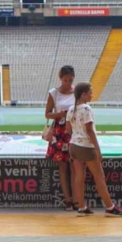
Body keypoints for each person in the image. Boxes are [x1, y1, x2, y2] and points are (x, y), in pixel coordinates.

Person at [68, 82, 122, 216]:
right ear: (84, 94)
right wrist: (97, 149)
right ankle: (110, 207)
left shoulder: (71, 109)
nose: (92, 95)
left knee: (79, 176)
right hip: (86, 147)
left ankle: (82, 207)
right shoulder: (86, 109)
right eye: (90, 92)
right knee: (99, 176)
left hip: (73, 145)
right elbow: (90, 130)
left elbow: (68, 129)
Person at [44, 65, 77, 210]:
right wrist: (61, 114)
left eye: (70, 80)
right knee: (63, 167)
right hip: (59, 132)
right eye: (65, 80)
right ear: (60, 78)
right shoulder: (54, 93)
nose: (68, 83)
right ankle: (68, 200)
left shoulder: (77, 91)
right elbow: (47, 114)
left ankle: (77, 199)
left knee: (74, 166)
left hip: (74, 130)